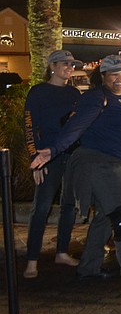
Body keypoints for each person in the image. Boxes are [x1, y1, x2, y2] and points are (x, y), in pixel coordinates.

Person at [32, 54, 121, 291]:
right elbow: (76, 126)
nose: (119, 79)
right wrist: (52, 150)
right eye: (113, 74)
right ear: (103, 76)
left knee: (105, 215)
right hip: (102, 165)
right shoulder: (96, 98)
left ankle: (88, 268)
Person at [22, 50, 83, 279]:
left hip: (71, 156)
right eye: (65, 64)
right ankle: (32, 259)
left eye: (72, 64)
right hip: (47, 158)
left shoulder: (74, 93)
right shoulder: (38, 93)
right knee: (41, 208)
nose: (69, 67)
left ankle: (62, 251)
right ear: (52, 66)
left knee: (69, 205)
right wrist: (34, 160)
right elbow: (29, 127)